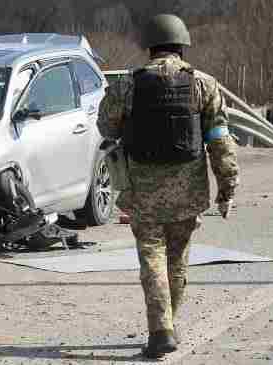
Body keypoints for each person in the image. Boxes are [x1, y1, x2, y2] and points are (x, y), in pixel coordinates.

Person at [98, 14, 240, 358]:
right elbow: (220, 140)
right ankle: (168, 326)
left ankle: (160, 331)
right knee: (177, 262)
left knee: (153, 261)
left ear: (149, 47)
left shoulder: (128, 84)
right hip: (188, 192)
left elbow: (107, 128)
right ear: (181, 44)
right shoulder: (204, 84)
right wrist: (227, 187)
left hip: (143, 193)